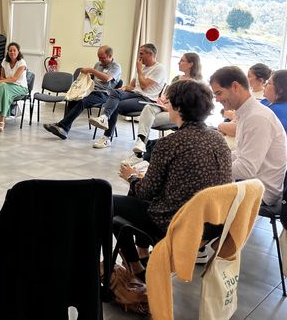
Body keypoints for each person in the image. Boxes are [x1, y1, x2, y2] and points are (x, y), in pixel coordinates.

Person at [114, 80, 232, 281]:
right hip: (214, 221)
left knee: (109, 203)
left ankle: (135, 266)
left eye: (168, 102)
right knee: (138, 199)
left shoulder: (169, 144)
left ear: (177, 107)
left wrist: (132, 176)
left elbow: (145, 192)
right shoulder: (217, 138)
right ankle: (142, 254)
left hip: (179, 222)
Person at [210, 66, 286, 206]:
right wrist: (213, 158)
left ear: (235, 87)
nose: (217, 100)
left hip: (261, 191)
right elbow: (241, 155)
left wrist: (210, 167)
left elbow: (247, 169)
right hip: (253, 182)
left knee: (194, 186)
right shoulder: (248, 113)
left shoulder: (257, 117)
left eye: (219, 93)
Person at [123, 53, 202, 163]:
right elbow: (167, 94)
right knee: (148, 107)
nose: (178, 62)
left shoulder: (198, 83)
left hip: (179, 113)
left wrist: (170, 107)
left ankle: (139, 154)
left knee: (146, 120)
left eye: (182, 60)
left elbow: (191, 105)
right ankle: (140, 144)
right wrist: (162, 99)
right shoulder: (176, 78)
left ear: (190, 64)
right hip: (165, 107)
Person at [89, 43, 167, 148]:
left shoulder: (159, 69)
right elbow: (132, 85)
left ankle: (106, 137)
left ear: (150, 54)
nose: (139, 56)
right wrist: (124, 88)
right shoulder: (142, 66)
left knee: (116, 106)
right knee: (115, 92)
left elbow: (144, 86)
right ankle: (104, 117)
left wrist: (139, 70)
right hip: (134, 94)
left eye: (141, 53)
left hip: (147, 99)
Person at [42, 45, 121, 140]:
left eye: (102, 58)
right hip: (91, 91)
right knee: (72, 99)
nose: (100, 60)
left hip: (105, 94)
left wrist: (92, 70)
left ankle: (62, 126)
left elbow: (107, 78)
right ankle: (64, 129)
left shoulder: (116, 66)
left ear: (109, 56)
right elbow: (93, 78)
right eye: (99, 57)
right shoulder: (98, 64)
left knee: (83, 102)